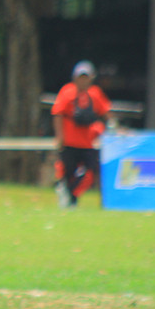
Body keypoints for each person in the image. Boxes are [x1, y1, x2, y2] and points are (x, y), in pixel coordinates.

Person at [51, 60, 112, 208]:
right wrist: (60, 137)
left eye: (86, 77)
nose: (83, 81)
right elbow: (57, 113)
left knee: (90, 172)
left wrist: (113, 127)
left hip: (87, 143)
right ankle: (69, 199)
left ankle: (71, 195)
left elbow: (106, 113)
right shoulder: (67, 92)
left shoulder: (95, 94)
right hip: (69, 142)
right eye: (80, 77)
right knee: (68, 172)